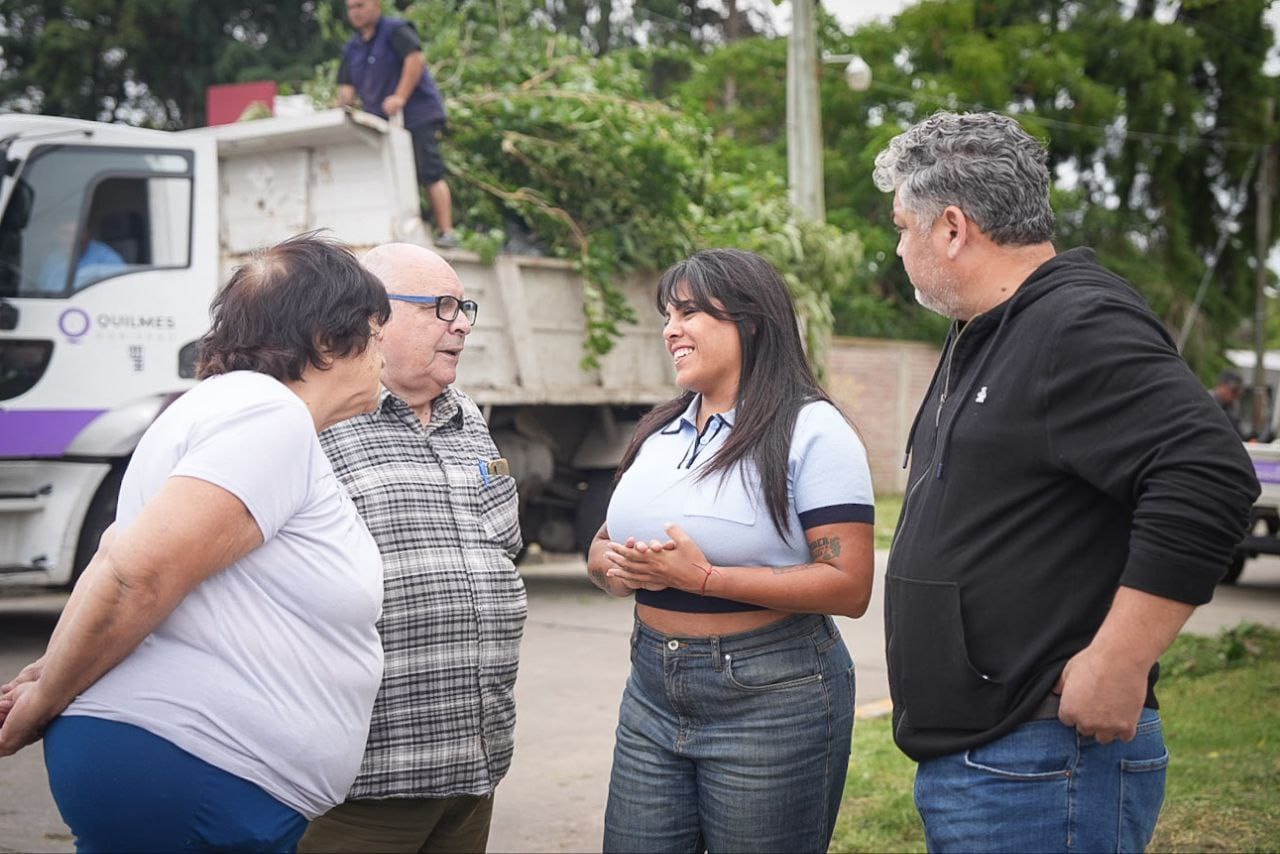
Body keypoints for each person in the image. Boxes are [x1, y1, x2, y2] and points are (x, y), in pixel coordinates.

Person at [873, 111, 1260, 853]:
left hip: (1044, 761)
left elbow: (1209, 473)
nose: (898, 248)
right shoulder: (987, 331)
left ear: (951, 228)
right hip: (993, 756)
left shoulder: (1075, 323)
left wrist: (1121, 659)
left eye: (902, 226)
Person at [0, 233, 390, 850]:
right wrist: (46, 697)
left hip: (184, 770)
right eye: (374, 328)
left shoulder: (219, 407)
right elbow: (137, 574)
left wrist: (51, 669)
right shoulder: (269, 415)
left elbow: (113, 556)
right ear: (325, 340)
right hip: (195, 771)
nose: (382, 350)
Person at [588, 248, 876, 853]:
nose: (671, 328)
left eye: (689, 312)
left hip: (773, 695)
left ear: (749, 320)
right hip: (651, 687)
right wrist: (609, 569)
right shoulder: (660, 432)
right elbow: (605, 543)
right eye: (668, 313)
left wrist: (706, 578)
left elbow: (848, 586)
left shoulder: (813, 431)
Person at [298, 243, 524, 853]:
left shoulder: (468, 418)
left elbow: (503, 544)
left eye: (465, 307)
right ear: (371, 318)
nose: (462, 324)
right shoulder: (317, 422)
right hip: (364, 786)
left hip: (473, 774)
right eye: (441, 307)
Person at [338, 0, 458, 249]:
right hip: (379, 123)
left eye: (360, 5)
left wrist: (400, 96)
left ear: (377, 4)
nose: (356, 12)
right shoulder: (352, 48)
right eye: (351, 8)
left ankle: (447, 232)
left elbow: (415, 59)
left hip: (416, 114)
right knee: (385, 175)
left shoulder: (396, 30)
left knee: (429, 171)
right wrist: (343, 108)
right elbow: (346, 89)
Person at [36, 212, 125, 293]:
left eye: (76, 234)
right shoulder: (53, 259)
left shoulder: (107, 258)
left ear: (87, 235)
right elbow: (42, 290)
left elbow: (118, 290)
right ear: (57, 236)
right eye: (65, 234)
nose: (71, 239)